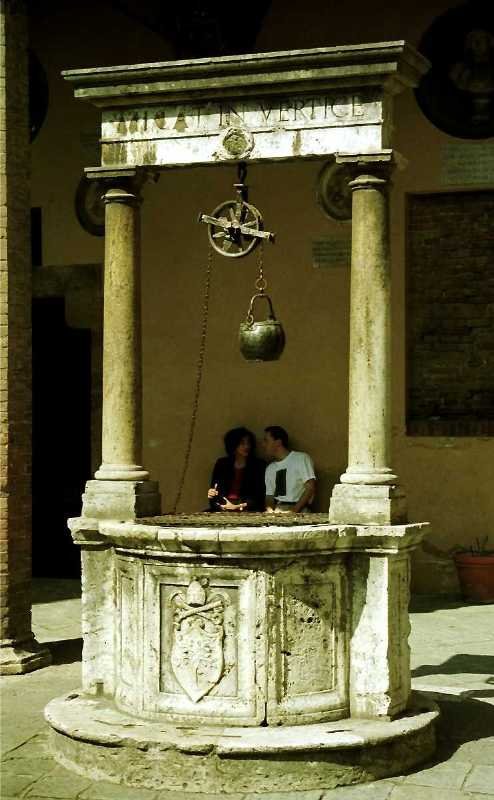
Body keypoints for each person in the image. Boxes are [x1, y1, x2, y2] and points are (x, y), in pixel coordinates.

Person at [207, 427, 265, 512]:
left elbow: (259, 496)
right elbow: (214, 489)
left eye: (248, 443)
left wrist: (238, 506)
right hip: (223, 508)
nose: (246, 446)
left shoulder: (258, 465)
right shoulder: (222, 463)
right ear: (233, 444)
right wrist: (217, 502)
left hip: (247, 510)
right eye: (242, 443)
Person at [263, 426, 316, 513]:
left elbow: (310, 488)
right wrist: (270, 512)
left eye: (266, 440)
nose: (263, 444)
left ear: (278, 442)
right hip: (278, 510)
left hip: (299, 510)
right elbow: (269, 496)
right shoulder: (270, 468)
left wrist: (294, 511)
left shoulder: (301, 458)